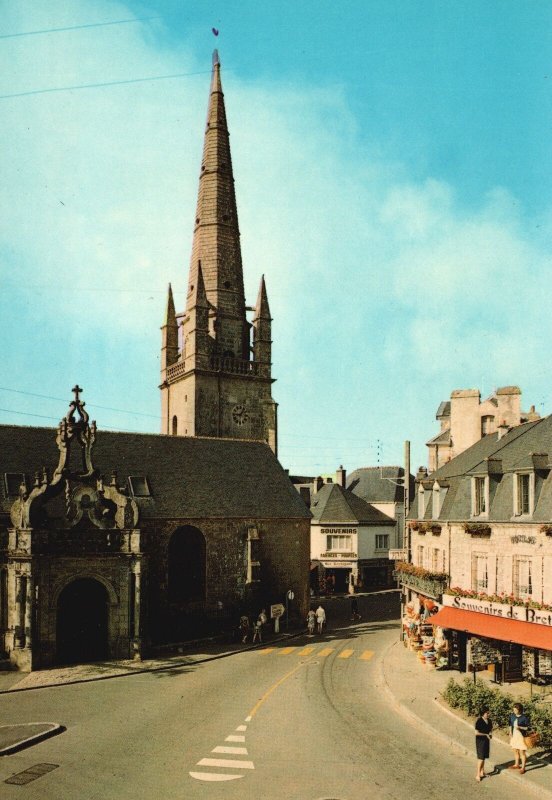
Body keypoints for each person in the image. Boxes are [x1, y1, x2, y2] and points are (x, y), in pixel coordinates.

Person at [509, 702, 530, 774]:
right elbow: (510, 724)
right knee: (515, 750)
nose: (514, 711)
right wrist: (510, 732)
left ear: (520, 710)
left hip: (521, 737)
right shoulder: (512, 716)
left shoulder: (524, 718)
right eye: (513, 710)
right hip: (514, 736)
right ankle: (516, 764)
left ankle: (523, 767)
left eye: (515, 710)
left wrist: (520, 727)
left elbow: (528, 728)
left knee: (522, 752)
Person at [475, 707, 493, 781]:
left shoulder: (489, 720)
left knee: (484, 757)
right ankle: (478, 775)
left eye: (488, 713)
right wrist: (486, 735)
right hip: (480, 742)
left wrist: (490, 734)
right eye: (487, 713)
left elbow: (491, 729)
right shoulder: (479, 721)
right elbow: (476, 733)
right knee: (481, 758)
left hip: (486, 741)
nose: (488, 714)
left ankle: (482, 772)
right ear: (483, 713)